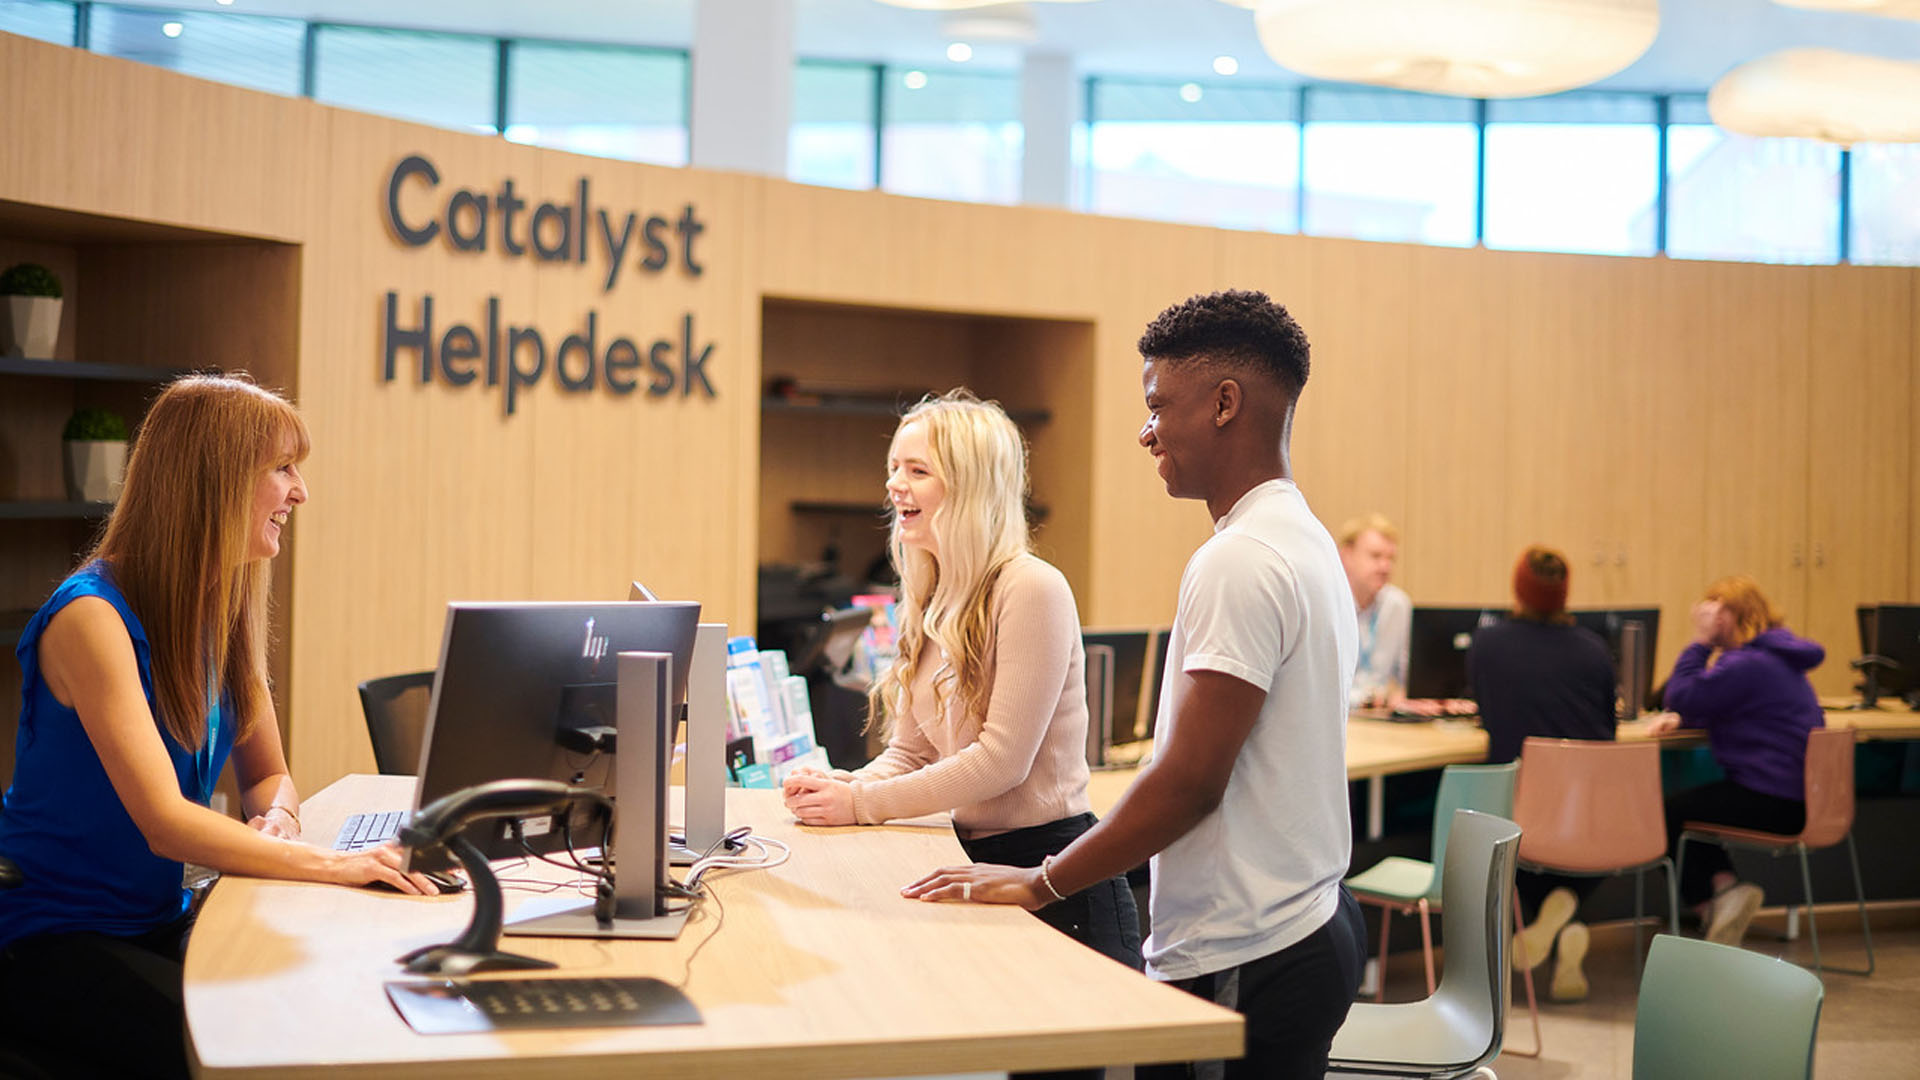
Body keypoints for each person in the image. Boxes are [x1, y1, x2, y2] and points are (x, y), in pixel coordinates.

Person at [903, 290, 1367, 1079]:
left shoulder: (1239, 560)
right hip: (1306, 920)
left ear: (1225, 404)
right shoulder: (1303, 537)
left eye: (1159, 405)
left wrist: (1042, 881)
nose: (1145, 430)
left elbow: (1189, 783)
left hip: (1248, 944)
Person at [0, 375, 443, 1080]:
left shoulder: (222, 608)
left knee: (329, 1006)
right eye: (283, 468)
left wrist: (278, 820)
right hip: (50, 936)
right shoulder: (92, 618)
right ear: (215, 480)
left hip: (157, 915)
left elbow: (268, 775)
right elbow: (166, 823)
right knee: (254, 1053)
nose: (300, 493)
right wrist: (336, 865)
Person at [781, 391, 1142, 982]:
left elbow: (1001, 762)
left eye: (918, 470)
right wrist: (845, 786)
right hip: (969, 863)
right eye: (894, 468)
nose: (896, 484)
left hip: (1053, 876)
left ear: (971, 486)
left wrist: (859, 804)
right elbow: (911, 752)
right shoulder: (929, 592)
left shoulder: (1031, 588)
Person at [1467, 544, 1616, 1001]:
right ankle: (1566, 916)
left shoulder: (1488, 645)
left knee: (1509, 840)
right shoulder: (1594, 650)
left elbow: (1490, 714)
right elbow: (1608, 729)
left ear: (1518, 588)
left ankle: (1548, 921)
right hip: (1593, 816)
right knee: (1574, 850)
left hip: (1519, 809)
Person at [1645, 575, 1825, 948]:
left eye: (1716, 610)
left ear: (1731, 617)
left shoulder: (1748, 664)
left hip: (1772, 801)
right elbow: (1721, 705)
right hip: (1798, 798)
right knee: (1695, 810)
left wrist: (1699, 642)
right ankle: (1726, 893)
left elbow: (1681, 694)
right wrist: (1686, 718)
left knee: (1667, 814)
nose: (1709, 617)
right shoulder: (1776, 660)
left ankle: (1715, 904)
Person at [1339, 513, 1410, 710]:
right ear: (1346, 556)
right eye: (1376, 556)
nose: (1385, 566)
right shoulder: (1329, 605)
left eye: (1391, 558)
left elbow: (1405, 678)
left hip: (1380, 716)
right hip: (1338, 716)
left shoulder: (1398, 605)